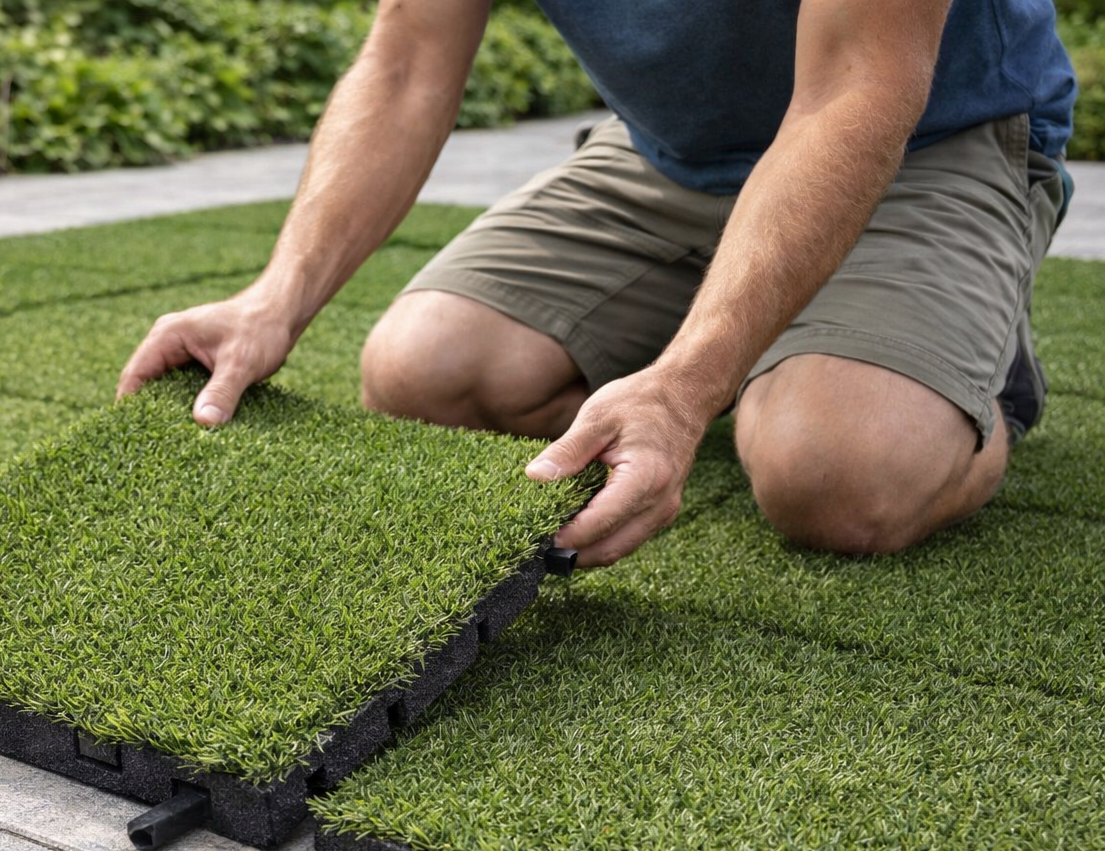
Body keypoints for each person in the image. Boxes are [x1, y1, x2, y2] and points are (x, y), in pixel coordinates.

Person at [118, 0, 1076, 566]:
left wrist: (689, 384)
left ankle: (957, 387)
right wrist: (276, 295)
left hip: (924, 141)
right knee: (425, 371)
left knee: (833, 476)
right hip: (669, 156)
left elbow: (857, 90)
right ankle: (756, 362)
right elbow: (408, 60)